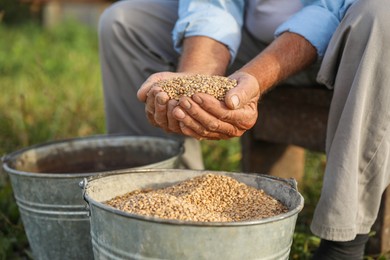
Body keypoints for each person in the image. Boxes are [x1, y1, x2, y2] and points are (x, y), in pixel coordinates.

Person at [98, 0, 390, 259]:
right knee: (124, 22)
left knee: (382, 13)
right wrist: (197, 75)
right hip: (254, 35)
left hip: (349, 38)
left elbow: (331, 9)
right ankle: (165, 198)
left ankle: (344, 240)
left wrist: (256, 76)